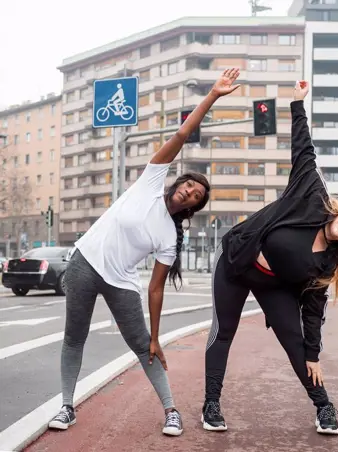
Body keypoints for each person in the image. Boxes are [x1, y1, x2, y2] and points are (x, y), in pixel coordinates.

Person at [48, 68, 242, 436]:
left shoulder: (170, 235)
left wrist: (155, 334)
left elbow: (155, 288)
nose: (189, 192)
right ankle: (66, 406)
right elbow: (183, 134)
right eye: (188, 186)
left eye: (196, 196)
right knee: (75, 336)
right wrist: (213, 95)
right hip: (84, 264)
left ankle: (171, 411)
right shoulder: (150, 183)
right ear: (177, 184)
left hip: (121, 282)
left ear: (193, 208)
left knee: (142, 346)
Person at [202, 80, 338, 436]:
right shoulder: (312, 195)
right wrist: (297, 105)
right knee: (223, 332)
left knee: (296, 342)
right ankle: (211, 403)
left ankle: (323, 406)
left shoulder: (328, 264)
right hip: (237, 263)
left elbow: (314, 310)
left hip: (275, 286)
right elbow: (304, 151)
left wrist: (314, 352)